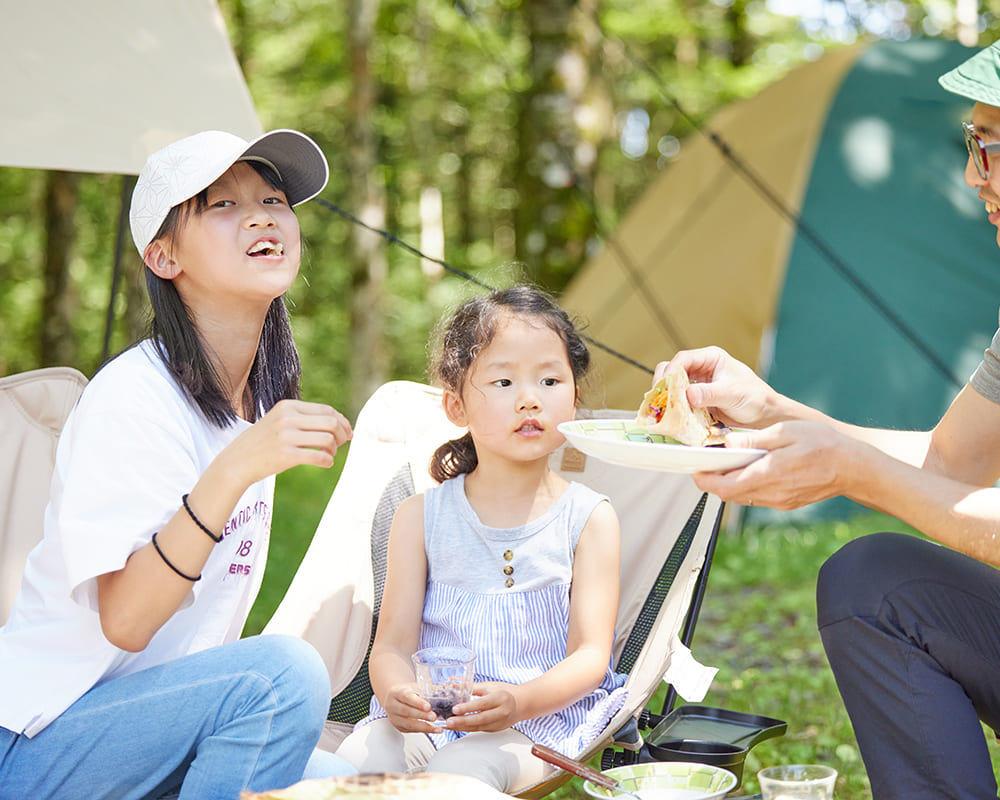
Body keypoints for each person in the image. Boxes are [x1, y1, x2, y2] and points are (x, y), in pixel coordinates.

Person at [659, 8, 1000, 799]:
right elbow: (949, 459)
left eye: (989, 148)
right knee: (871, 581)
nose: (972, 173)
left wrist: (852, 472)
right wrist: (772, 411)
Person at [0, 129, 356, 799]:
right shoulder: (133, 400)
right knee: (284, 675)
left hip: (145, 735)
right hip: (32, 746)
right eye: (221, 205)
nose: (261, 216)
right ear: (164, 255)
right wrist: (233, 470)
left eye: (273, 199)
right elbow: (127, 623)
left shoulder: (250, 400)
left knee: (363, 786)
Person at [334, 285, 627, 792]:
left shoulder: (589, 519)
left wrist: (518, 701)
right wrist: (397, 691)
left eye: (551, 380)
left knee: (463, 774)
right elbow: (393, 645)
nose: (530, 398)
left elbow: (589, 658)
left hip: (533, 725)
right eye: (505, 380)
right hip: (430, 719)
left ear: (574, 400)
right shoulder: (420, 516)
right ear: (456, 405)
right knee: (360, 753)